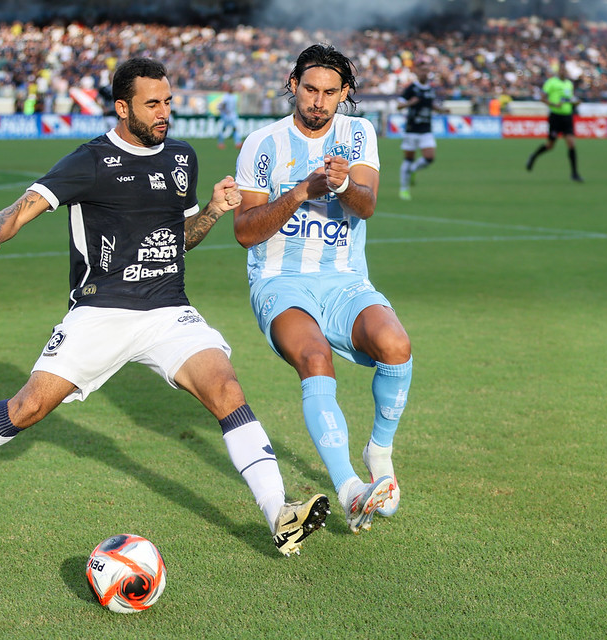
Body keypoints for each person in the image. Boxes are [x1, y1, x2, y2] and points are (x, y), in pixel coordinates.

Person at [0, 57, 329, 557]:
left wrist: (213, 212)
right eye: (153, 104)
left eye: (168, 102)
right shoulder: (89, 161)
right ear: (123, 106)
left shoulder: (180, 157)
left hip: (167, 308)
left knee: (226, 387)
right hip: (100, 309)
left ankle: (279, 512)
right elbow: (22, 206)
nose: (164, 113)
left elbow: (179, 239)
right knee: (27, 408)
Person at [234, 44, 412, 534]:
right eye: (310, 89)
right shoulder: (263, 144)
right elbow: (246, 231)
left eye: (330, 92)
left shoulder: (359, 135)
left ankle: (379, 450)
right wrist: (299, 193)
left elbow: (367, 204)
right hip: (279, 280)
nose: (318, 101)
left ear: (345, 94)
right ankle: (351, 489)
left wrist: (340, 187)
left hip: (345, 279)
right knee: (314, 358)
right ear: (293, 85)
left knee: (396, 345)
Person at [396, 59, 449, 200]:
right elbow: (399, 106)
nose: (424, 73)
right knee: (408, 158)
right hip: (412, 129)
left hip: (426, 129)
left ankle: (413, 170)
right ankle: (404, 189)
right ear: (417, 72)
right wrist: (409, 103)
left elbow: (430, 104)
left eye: (426, 70)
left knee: (429, 157)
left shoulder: (430, 89)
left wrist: (442, 110)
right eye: (422, 70)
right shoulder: (411, 88)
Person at [526, 62, 583, 182]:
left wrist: (575, 102)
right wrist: (553, 104)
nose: (563, 72)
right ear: (558, 71)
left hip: (567, 117)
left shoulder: (569, 84)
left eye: (564, 70)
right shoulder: (551, 82)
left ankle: (574, 173)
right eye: (561, 70)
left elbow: (569, 99)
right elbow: (542, 98)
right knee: (550, 145)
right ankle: (534, 156)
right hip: (555, 117)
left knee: (571, 144)